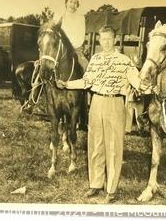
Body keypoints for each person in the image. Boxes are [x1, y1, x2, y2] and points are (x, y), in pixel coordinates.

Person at [57, 26, 151, 204]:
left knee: (114, 147)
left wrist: (148, 87)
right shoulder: (95, 59)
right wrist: (67, 84)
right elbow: (86, 82)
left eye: (109, 39)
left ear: (114, 40)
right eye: (103, 39)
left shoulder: (124, 60)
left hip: (115, 103)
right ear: (99, 40)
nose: (106, 42)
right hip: (96, 103)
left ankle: (111, 189)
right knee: (96, 145)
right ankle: (96, 184)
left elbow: (138, 82)